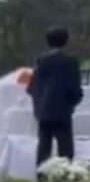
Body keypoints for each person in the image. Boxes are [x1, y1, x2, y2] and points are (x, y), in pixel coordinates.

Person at [27, 27, 84, 168]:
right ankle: (64, 179)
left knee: (43, 149)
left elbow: (31, 87)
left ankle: (42, 178)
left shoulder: (41, 61)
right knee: (65, 150)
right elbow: (74, 88)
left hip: (43, 112)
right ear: (66, 41)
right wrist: (72, 102)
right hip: (62, 111)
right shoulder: (70, 62)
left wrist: (39, 104)